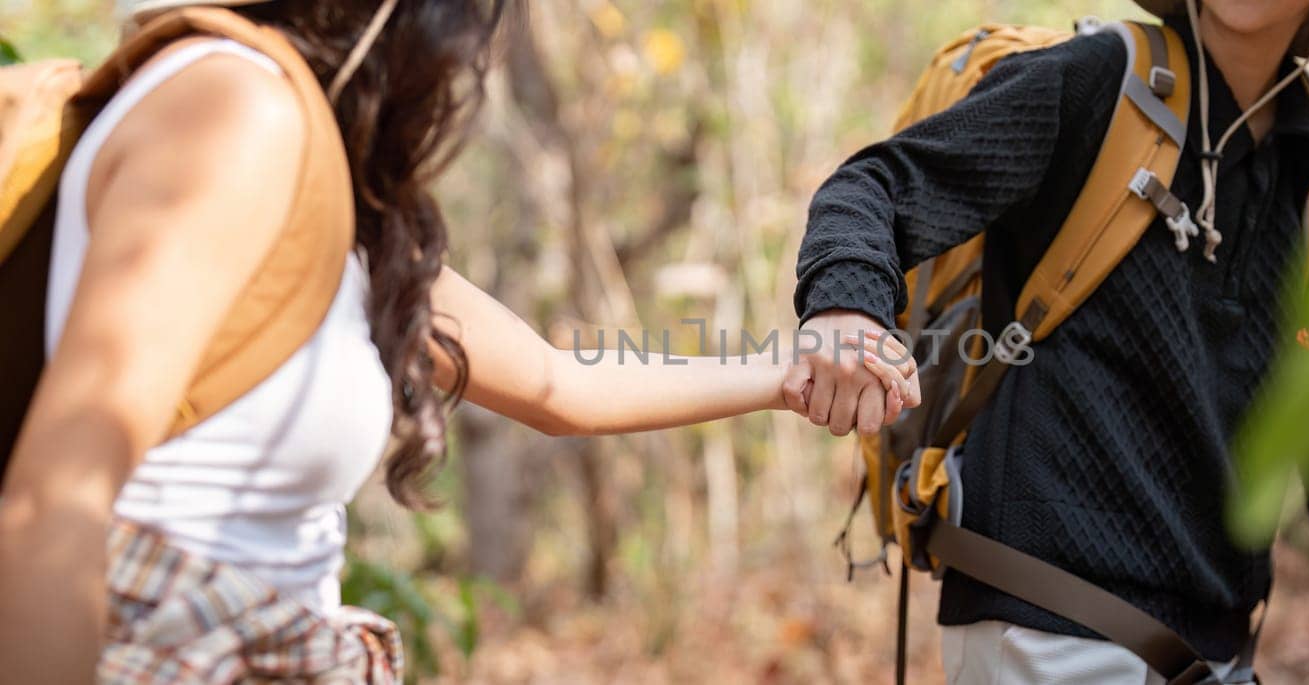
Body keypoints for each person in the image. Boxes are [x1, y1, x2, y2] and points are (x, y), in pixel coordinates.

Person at [0, 1, 916, 681]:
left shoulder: (326, 178)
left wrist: (793, 375)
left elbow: (561, 388)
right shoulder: (240, 110)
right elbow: (52, 504)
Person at [788, 0, 1309, 683]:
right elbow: (877, 186)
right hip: (1040, 617)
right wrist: (847, 303)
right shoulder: (1099, 83)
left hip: (1219, 640)